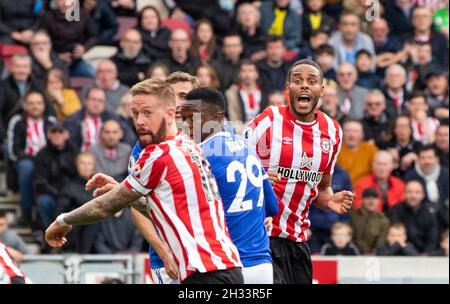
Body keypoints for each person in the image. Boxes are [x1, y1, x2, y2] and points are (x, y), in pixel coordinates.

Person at [46, 79, 244, 284]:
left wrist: (63, 221)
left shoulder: (159, 155)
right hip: (226, 268)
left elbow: (104, 207)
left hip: (205, 274)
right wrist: (121, 189)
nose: (140, 121)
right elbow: (161, 208)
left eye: (147, 113)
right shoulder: (188, 145)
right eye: (135, 113)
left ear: (169, 113)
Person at [244, 59, 354, 284]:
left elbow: (322, 187)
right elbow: (232, 171)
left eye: (312, 81)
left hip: (298, 240)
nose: (304, 86)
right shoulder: (268, 120)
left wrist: (330, 200)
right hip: (260, 238)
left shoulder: (332, 132)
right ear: (288, 88)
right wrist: (258, 178)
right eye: (297, 81)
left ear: (321, 90)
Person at [7, 91, 56, 227]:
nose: (35, 106)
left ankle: (42, 218)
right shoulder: (17, 121)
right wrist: (35, 159)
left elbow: (57, 145)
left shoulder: (51, 121)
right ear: (25, 105)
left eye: (39, 103)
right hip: (25, 160)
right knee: (27, 167)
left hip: (47, 161)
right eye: (31, 103)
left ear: (44, 105)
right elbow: (13, 151)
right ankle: (26, 211)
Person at [36, 0, 97, 78]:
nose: (65, 3)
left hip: (76, 61)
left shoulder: (83, 15)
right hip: (55, 61)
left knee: (93, 73)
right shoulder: (47, 17)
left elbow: (93, 36)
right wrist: (57, 56)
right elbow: (40, 42)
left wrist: (84, 48)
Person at [34, 123, 78, 229]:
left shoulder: (75, 153)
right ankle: (50, 231)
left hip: (73, 194)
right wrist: (58, 194)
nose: (57, 135)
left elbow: (80, 177)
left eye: (60, 131)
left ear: (67, 134)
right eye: (53, 132)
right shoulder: (41, 155)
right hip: (52, 194)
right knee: (43, 202)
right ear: (48, 135)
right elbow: (40, 182)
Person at [54, 152, 99, 253]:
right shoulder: (69, 187)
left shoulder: (100, 185)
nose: (86, 167)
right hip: (76, 230)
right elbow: (59, 211)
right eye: (83, 163)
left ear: (94, 166)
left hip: (100, 231)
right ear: (77, 166)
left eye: (89, 163)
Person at [64, 87, 134, 151]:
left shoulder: (113, 118)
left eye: (100, 101)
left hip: (108, 159)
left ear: (104, 104)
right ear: (86, 101)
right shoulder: (73, 120)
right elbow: (71, 146)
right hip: (83, 160)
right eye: (93, 100)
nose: (96, 104)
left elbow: (129, 137)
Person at [0, 54, 54, 138]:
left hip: (35, 130)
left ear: (29, 69)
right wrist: (4, 136)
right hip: (9, 132)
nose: (21, 70)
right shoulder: (3, 86)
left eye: (25, 67)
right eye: (18, 66)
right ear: (11, 68)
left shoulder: (36, 84)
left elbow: (49, 109)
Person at [308, 164, 352, 254]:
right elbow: (305, 199)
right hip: (314, 228)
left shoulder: (342, 174)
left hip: (336, 228)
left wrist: (344, 224)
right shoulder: (310, 169)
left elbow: (348, 200)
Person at [388, 180, 439, 254]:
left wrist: (426, 255)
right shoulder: (395, 211)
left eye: (417, 192)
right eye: (410, 192)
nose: (413, 196)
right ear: (404, 194)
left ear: (423, 195)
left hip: (424, 256)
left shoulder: (429, 214)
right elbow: (394, 236)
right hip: (400, 253)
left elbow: (432, 240)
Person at [404, 144, 449, 213]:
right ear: (418, 160)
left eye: (430, 158)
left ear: (437, 159)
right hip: (419, 215)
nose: (427, 161)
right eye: (423, 158)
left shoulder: (446, 174)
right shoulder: (410, 176)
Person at [337, 119, 379, 188]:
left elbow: (377, 171)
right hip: (341, 190)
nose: (351, 135)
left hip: (365, 191)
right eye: (348, 131)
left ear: (362, 134)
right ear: (342, 133)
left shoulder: (371, 149)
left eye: (355, 131)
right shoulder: (336, 149)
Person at [225, 60, 268, 125]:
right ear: (239, 74)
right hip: (239, 130)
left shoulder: (265, 92)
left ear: (256, 74)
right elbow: (233, 118)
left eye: (250, 71)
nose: (247, 74)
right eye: (244, 71)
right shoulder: (231, 94)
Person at [350, 188, 390, 254]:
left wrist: (373, 255)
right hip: (354, 255)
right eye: (368, 198)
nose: (371, 201)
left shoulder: (383, 220)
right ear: (362, 200)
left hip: (375, 258)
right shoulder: (353, 216)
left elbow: (381, 242)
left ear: (378, 201)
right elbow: (349, 237)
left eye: (374, 198)